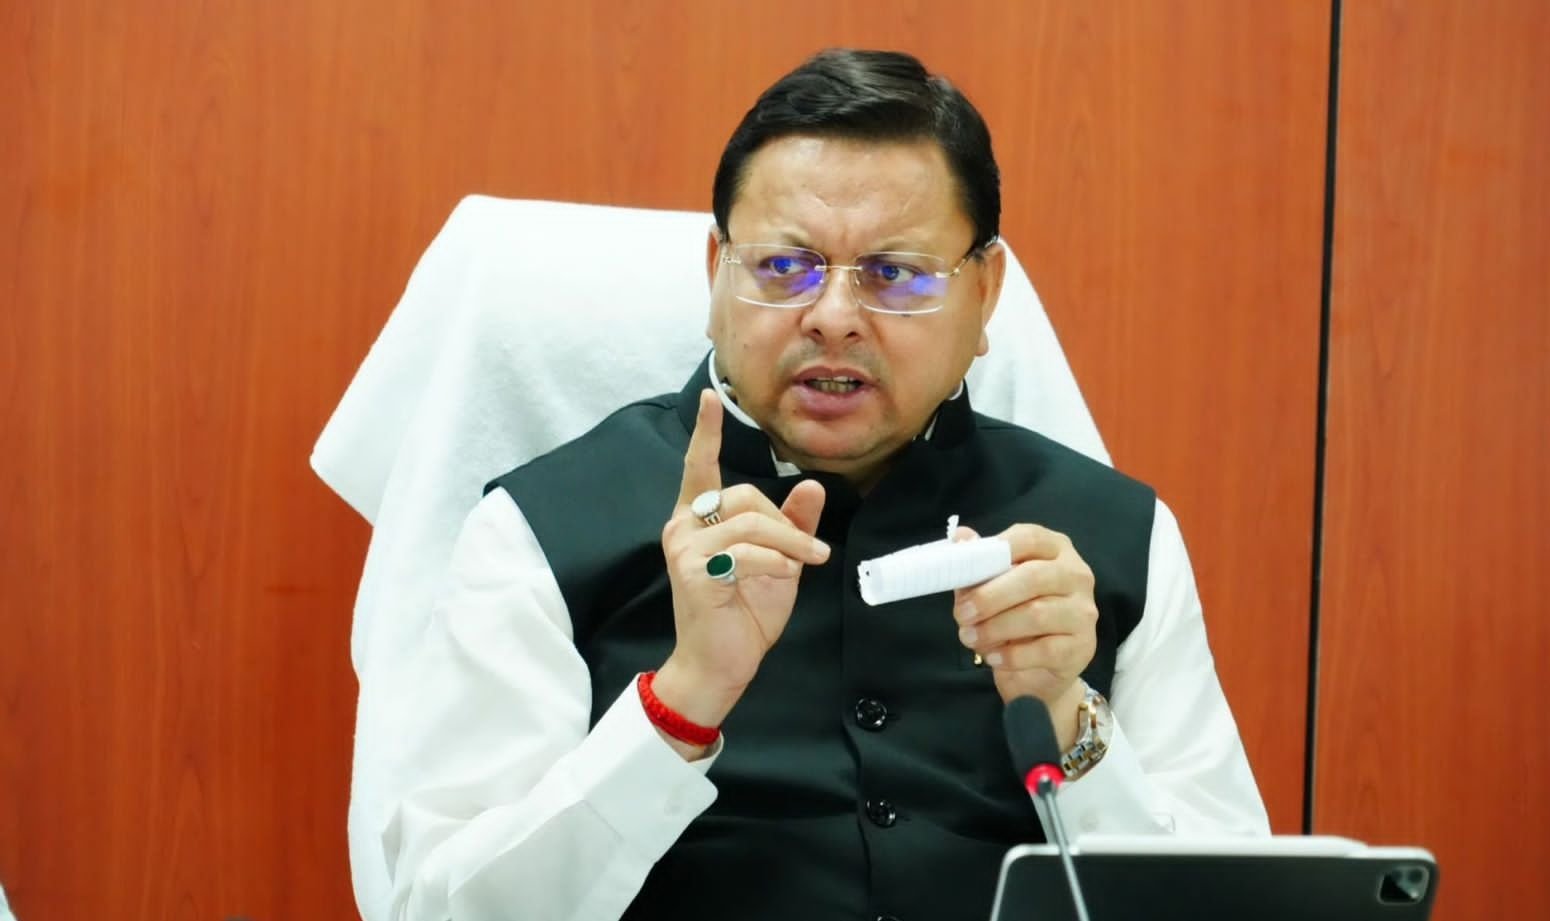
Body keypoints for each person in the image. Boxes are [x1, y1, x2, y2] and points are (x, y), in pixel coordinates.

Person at [377, 48, 1267, 921]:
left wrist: (1070, 716)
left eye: (896, 274)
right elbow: (441, 909)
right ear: (716, 275)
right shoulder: (540, 531)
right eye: (784, 267)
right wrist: (680, 702)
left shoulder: (1112, 541)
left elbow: (1237, 901)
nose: (834, 318)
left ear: (986, 294)